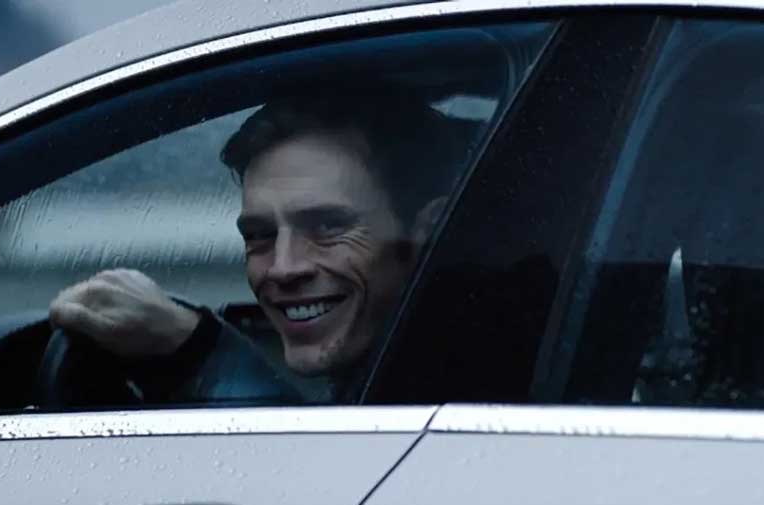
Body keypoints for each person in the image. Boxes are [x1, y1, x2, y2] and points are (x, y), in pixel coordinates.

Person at [49, 89, 467, 404]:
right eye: (259, 235)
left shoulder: (480, 378)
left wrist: (194, 353)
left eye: (327, 226)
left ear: (430, 230)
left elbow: (324, 479)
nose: (283, 268)